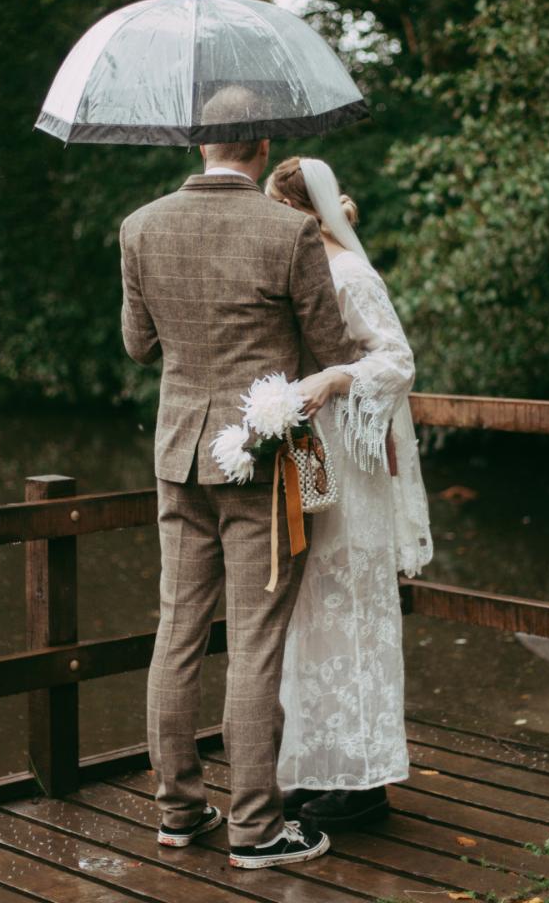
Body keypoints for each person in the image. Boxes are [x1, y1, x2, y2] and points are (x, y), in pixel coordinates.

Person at [119, 88, 361, 870]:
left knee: (177, 629)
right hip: (263, 459)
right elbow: (329, 348)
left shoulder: (141, 227)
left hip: (178, 458)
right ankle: (257, 828)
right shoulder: (289, 230)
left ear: (200, 146)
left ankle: (179, 812)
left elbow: (138, 346)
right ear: (259, 145)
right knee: (256, 643)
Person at [265, 155, 434, 832]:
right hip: (310, 458)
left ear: (308, 212)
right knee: (309, 615)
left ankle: (365, 781)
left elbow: (397, 358)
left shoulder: (351, 273)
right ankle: (317, 768)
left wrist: (336, 379)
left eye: (281, 212)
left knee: (355, 610)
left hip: (353, 461)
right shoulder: (299, 269)